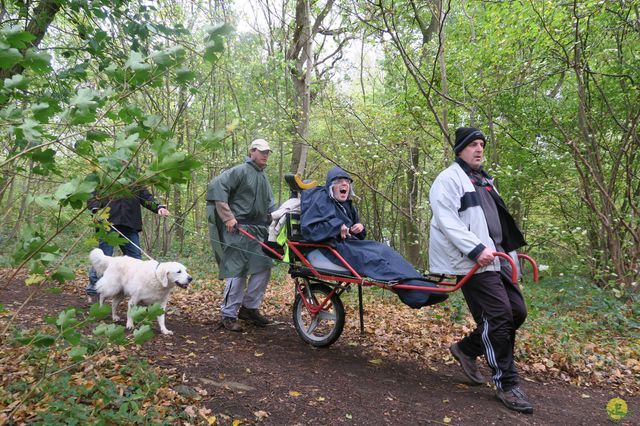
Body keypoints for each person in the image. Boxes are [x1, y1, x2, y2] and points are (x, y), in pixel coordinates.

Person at [429, 127, 532, 414]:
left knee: (516, 313)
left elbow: (496, 224)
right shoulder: (448, 180)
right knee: (498, 316)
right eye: (473, 144)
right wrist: (475, 249)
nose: (479, 149)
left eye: (482, 145)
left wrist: (511, 256)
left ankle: (466, 349)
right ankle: (507, 384)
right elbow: (448, 221)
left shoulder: (485, 180)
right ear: (460, 149)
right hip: (471, 261)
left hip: (496, 258)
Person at [300, 166, 448, 309]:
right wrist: (336, 227)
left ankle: (425, 285)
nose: (344, 183)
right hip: (332, 248)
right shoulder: (321, 201)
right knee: (374, 261)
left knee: (384, 250)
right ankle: (417, 295)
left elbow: (356, 233)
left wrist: (358, 228)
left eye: (347, 181)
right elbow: (309, 230)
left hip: (350, 244)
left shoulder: (348, 206)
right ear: (331, 186)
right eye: (339, 180)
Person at [206, 138, 276, 332]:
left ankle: (250, 308)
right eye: (261, 151)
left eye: (267, 152)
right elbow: (217, 187)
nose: (264, 155)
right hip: (238, 230)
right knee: (237, 271)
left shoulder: (263, 176)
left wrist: (277, 220)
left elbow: (270, 204)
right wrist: (228, 218)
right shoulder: (239, 171)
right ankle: (228, 315)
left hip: (259, 230)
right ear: (251, 151)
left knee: (263, 266)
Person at [87, 187, 169, 302]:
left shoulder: (135, 179)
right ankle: (94, 291)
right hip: (107, 224)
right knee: (104, 258)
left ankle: (138, 294)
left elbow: (146, 197)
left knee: (136, 260)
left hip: (130, 224)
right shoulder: (106, 176)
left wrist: (158, 207)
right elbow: (92, 195)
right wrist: (95, 209)